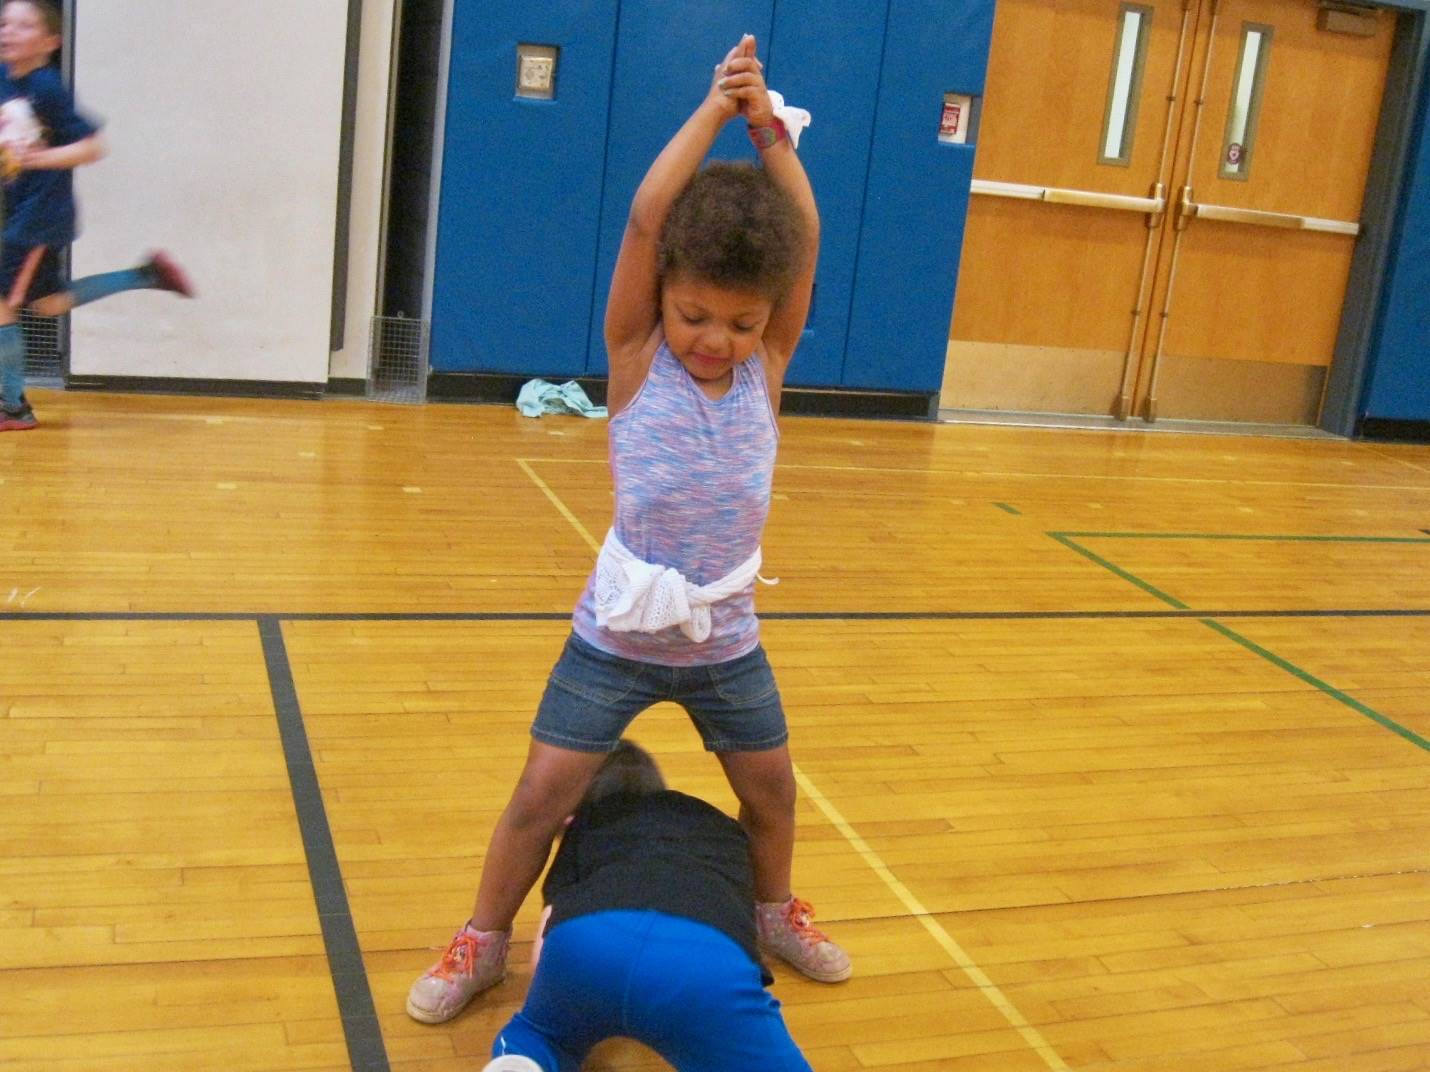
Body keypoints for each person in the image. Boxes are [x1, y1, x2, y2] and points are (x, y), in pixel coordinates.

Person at [407, 33, 849, 1026]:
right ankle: (484, 935)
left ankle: (773, 909)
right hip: (615, 628)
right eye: (696, 314)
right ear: (663, 299)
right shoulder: (636, 354)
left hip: (722, 632)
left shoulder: (763, 370)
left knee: (771, 790)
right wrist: (714, 107)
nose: (715, 338)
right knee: (539, 792)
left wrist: (767, 127)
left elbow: (805, 231)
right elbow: (651, 217)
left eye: (739, 323)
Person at [481, 740, 814, 1072]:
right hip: (702, 958)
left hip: (589, 940)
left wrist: (562, 999)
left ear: (573, 810)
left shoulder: (585, 827)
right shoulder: (719, 825)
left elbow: (548, 930)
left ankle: (524, 1059)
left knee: (540, 1036)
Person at [0, 0, 192, 433]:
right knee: (47, 304)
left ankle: (13, 407)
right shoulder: (4, 78)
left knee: (1, 306)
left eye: (25, 25)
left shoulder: (47, 87)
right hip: (20, 210)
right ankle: (145, 275)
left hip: (38, 216)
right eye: (5, 23)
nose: (10, 31)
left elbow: (93, 147)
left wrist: (37, 159)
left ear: (51, 42)